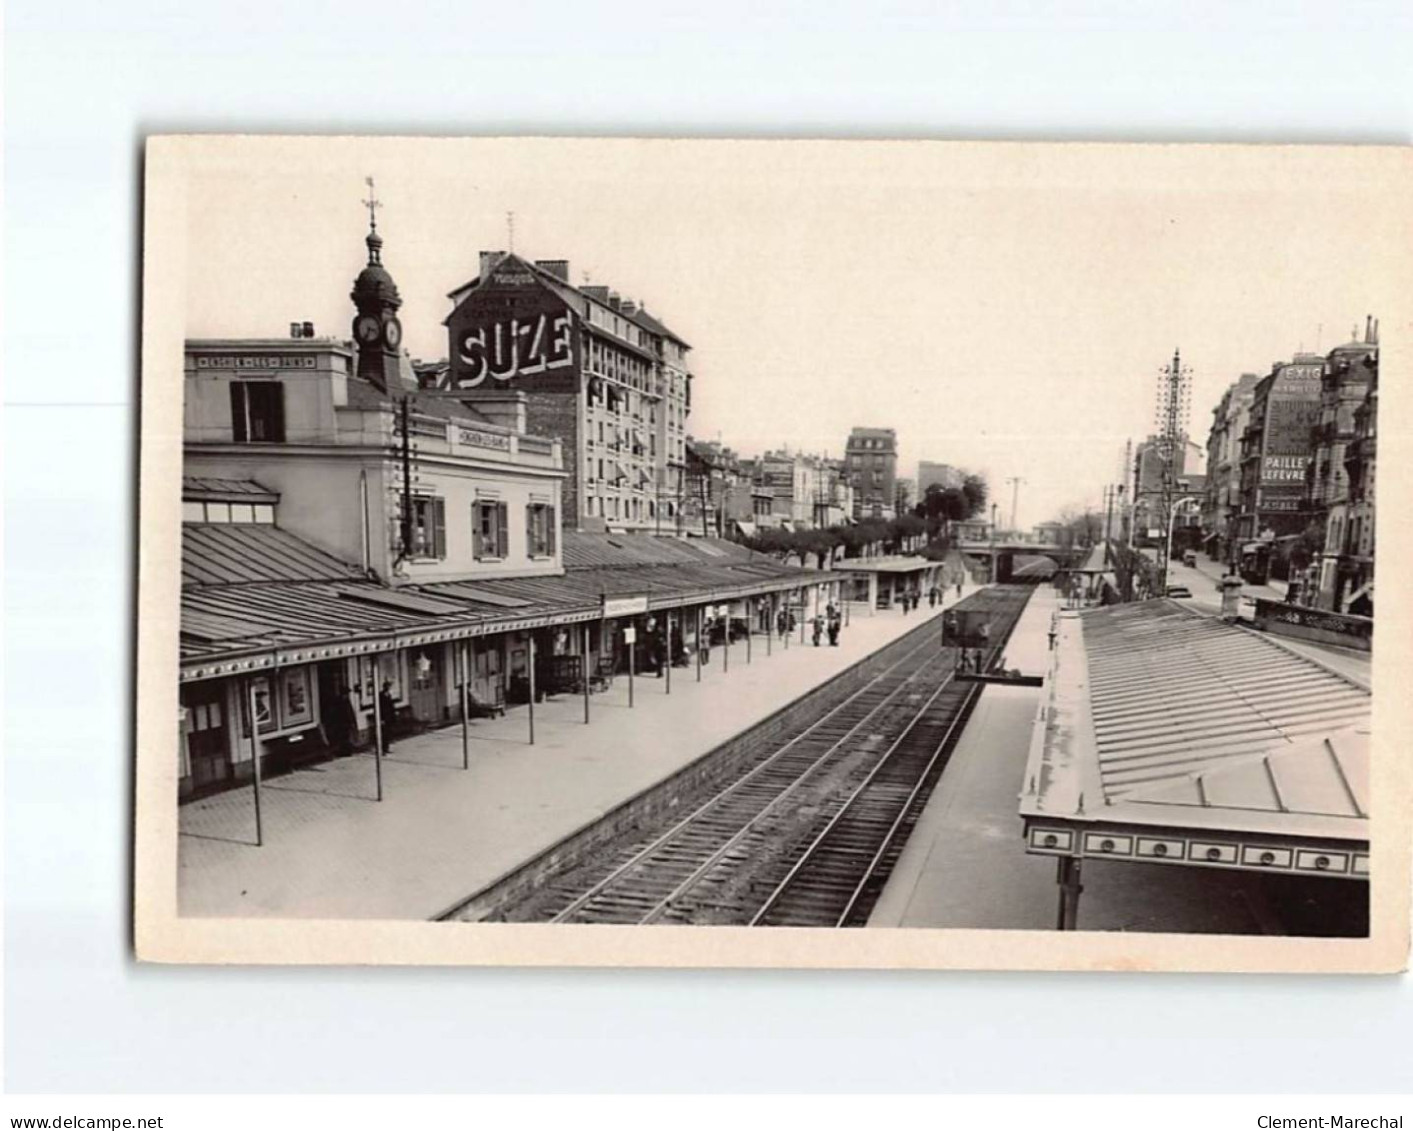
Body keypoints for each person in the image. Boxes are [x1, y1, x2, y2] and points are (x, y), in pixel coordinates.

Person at [377, 680, 397, 754]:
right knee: (384, 733)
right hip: (384, 717)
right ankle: (383, 749)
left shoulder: (389, 695)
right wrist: (381, 719)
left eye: (389, 686)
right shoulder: (380, 695)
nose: (389, 688)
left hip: (389, 717)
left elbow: (391, 705)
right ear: (384, 687)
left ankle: (387, 747)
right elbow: (380, 708)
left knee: (388, 733)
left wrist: (394, 713)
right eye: (388, 686)